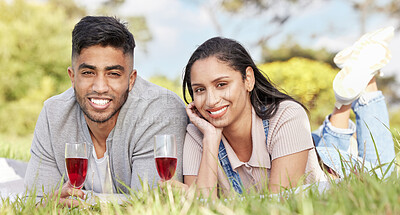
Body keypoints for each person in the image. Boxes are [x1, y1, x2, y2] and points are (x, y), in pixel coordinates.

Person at [24, 16, 188, 206]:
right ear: (72, 76)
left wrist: (81, 201)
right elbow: (36, 202)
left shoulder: (161, 110)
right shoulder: (53, 114)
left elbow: (152, 202)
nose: (100, 87)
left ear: (131, 79)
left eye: (113, 74)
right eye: (88, 73)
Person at [181, 37, 327, 198]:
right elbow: (200, 209)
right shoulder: (197, 134)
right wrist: (210, 138)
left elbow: (279, 205)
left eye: (221, 84)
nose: (211, 100)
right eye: (200, 90)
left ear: (248, 79)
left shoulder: (287, 115)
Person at [313, 26, 396, 179]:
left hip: (310, 154)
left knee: (384, 174)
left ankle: (349, 94)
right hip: (315, 148)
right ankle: (366, 76)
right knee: (384, 174)